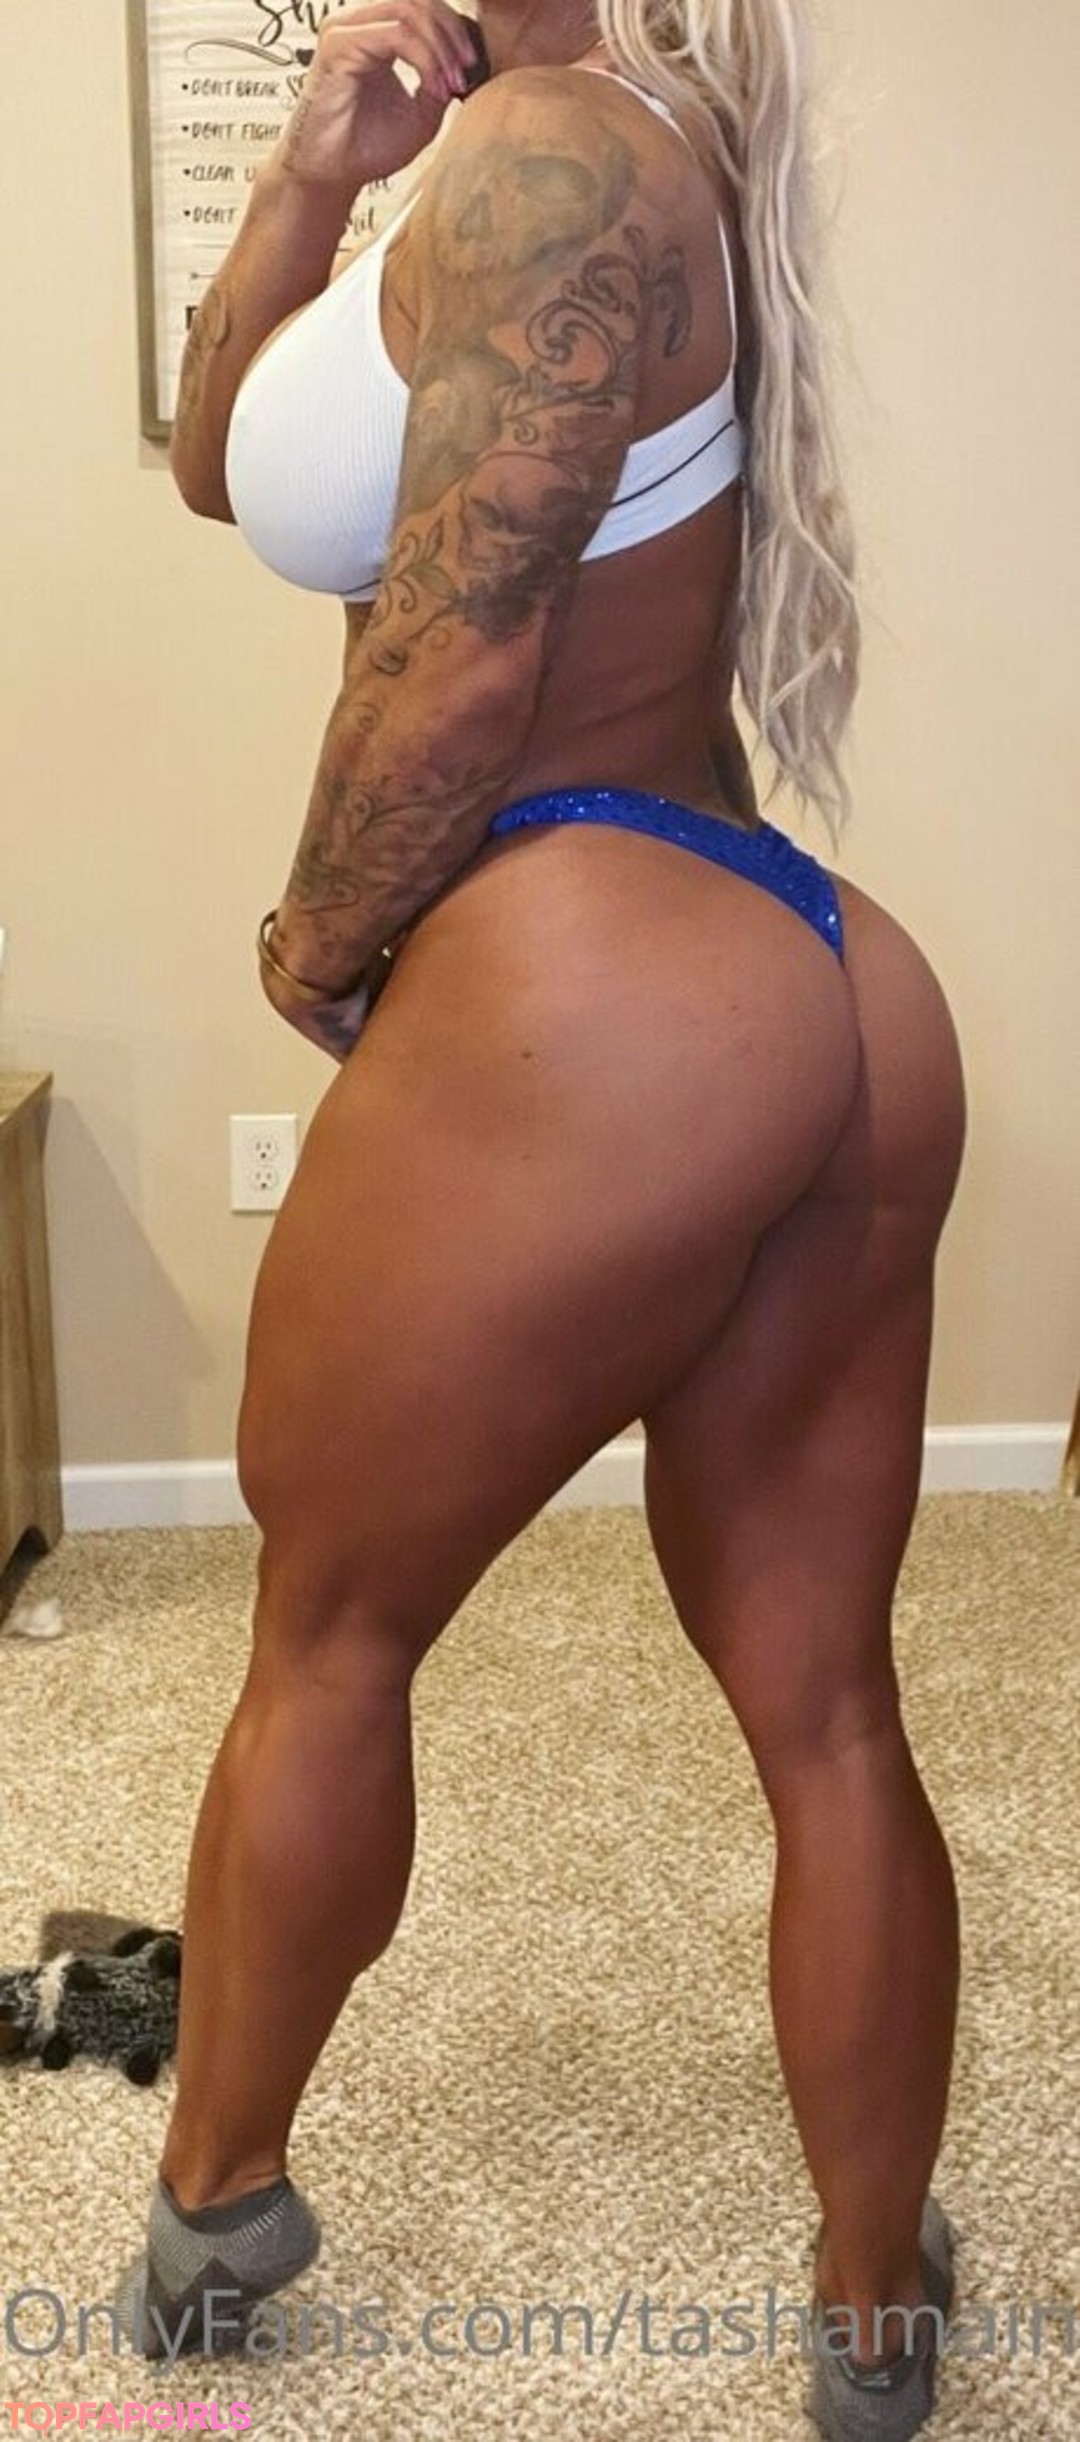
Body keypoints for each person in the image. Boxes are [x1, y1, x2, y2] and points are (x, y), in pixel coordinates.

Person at [116, 4, 967, 2434]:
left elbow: (463, 646)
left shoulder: (556, 161)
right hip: (812, 973)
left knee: (330, 1637)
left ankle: (217, 2197)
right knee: (829, 1705)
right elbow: (222, 465)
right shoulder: (562, 139)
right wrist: (312, 171)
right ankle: (875, 2303)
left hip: (592, 965)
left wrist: (319, 946)